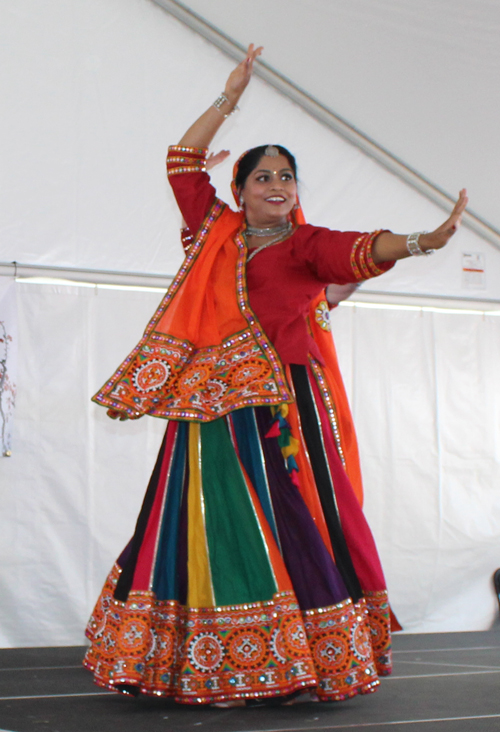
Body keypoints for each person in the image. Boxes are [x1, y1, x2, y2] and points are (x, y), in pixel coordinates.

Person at [83, 45, 468, 706]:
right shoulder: (213, 233)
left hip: (284, 404)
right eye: (263, 177)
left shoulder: (303, 243)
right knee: (191, 516)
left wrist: (419, 242)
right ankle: (180, 652)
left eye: (286, 177)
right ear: (239, 190)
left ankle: (297, 651)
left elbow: (360, 249)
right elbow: (181, 160)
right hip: (208, 406)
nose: (277, 186)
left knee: (290, 512)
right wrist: (228, 99)